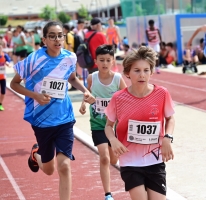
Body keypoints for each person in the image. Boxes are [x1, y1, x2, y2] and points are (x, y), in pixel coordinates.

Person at [10, 21, 95, 200]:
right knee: (49, 170)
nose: (57, 39)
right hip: (41, 120)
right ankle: (36, 153)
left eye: (60, 35)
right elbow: (14, 83)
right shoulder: (33, 59)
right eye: (52, 36)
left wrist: (85, 90)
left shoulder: (70, 57)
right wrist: (35, 96)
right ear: (44, 39)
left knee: (64, 166)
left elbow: (71, 77)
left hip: (64, 118)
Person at [104, 46, 175, 200]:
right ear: (128, 73)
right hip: (130, 161)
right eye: (137, 70)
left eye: (146, 70)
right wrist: (113, 140)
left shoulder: (162, 93)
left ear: (151, 72)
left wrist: (168, 138)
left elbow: (170, 118)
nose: (142, 75)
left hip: (155, 160)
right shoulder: (119, 98)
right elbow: (108, 126)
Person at [79, 44, 126, 200]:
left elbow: (127, 98)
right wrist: (83, 104)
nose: (105, 63)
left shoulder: (118, 79)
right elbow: (87, 93)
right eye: (101, 60)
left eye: (108, 60)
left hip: (114, 126)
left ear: (113, 61)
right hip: (98, 124)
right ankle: (108, 194)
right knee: (104, 158)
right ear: (96, 61)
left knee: (113, 159)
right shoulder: (92, 77)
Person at [0, 43, 12, 111]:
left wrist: (8, 64)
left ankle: (0, 104)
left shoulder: (5, 55)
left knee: (3, 91)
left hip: (2, 77)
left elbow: (9, 63)